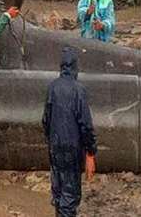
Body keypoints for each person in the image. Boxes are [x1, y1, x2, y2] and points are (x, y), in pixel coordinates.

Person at [42, 47, 97, 217]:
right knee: (70, 194)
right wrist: (91, 152)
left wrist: (51, 140)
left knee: (58, 191)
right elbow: (86, 125)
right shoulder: (79, 90)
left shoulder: (52, 87)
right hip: (72, 148)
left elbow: (45, 120)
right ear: (75, 67)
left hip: (55, 146)